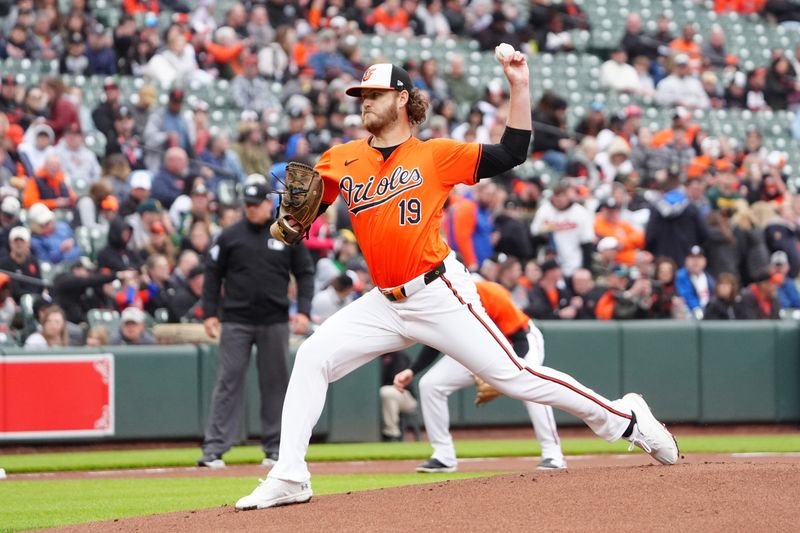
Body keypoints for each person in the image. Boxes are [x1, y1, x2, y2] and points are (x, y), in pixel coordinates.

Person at [234, 59, 678, 511]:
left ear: (402, 99)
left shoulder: (436, 155)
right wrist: (288, 222)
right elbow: (301, 214)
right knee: (312, 356)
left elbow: (513, 152)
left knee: (517, 377)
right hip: (383, 302)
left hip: (437, 292)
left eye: (374, 94)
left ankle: (626, 417)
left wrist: (519, 86)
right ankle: (289, 475)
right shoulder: (341, 159)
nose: (364, 102)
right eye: (361, 96)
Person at [198, 181, 314, 469]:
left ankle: (275, 448)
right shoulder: (229, 236)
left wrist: (304, 310)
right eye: (247, 205)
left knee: (275, 385)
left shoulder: (286, 233)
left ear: (268, 203)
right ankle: (214, 448)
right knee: (228, 382)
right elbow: (212, 275)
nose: (251, 210)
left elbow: (305, 272)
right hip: (237, 320)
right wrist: (210, 313)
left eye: (255, 204)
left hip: (274, 320)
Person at [397, 280, 566, 472]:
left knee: (531, 388)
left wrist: (498, 375)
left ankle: (553, 454)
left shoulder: (492, 293)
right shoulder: (441, 302)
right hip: (477, 347)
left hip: (519, 342)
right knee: (431, 384)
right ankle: (443, 456)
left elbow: (520, 341)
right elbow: (436, 342)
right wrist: (413, 369)